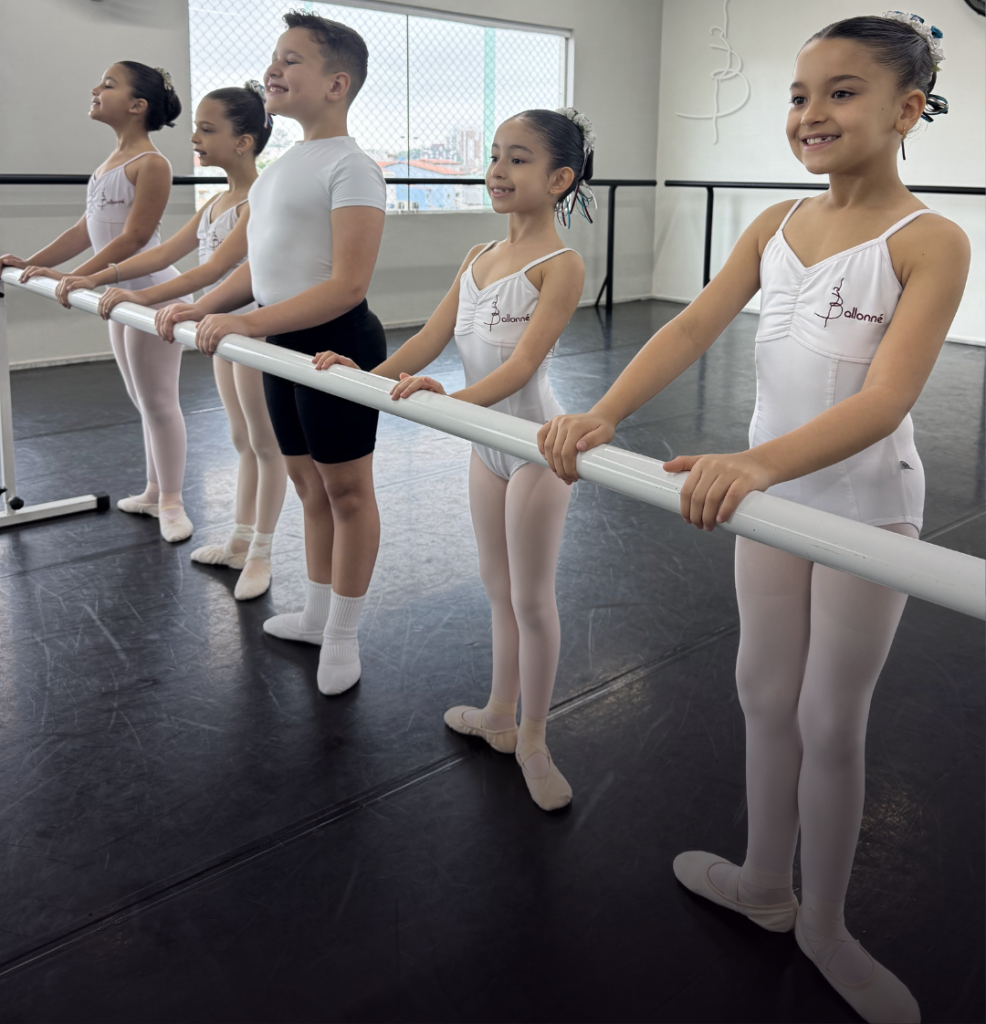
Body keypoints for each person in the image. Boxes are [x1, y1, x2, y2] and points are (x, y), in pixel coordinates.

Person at [537, 14, 967, 1022]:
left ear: (906, 109)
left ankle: (827, 925)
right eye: (798, 94)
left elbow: (885, 399)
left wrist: (753, 463)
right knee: (762, 691)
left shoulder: (929, 240)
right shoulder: (775, 224)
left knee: (830, 718)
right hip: (769, 503)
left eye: (842, 92)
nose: (811, 112)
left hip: (863, 511)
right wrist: (602, 411)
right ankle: (764, 883)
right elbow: (693, 324)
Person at [315, 108, 594, 810]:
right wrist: (365, 375)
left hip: (533, 448)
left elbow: (522, 367)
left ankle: (535, 738)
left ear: (560, 179)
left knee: (531, 598)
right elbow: (429, 339)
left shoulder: (561, 267)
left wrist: (451, 401)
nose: (498, 170)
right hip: (485, 447)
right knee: (497, 589)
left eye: (519, 159)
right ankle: (499, 715)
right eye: (496, 155)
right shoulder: (477, 256)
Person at [156, 11, 386, 694]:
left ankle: (343, 633)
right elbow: (259, 268)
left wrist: (247, 324)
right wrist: (206, 305)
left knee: (347, 492)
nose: (273, 70)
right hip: (281, 344)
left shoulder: (353, 167)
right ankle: (315, 615)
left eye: (291, 60)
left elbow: (347, 285)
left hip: (337, 345)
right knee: (309, 485)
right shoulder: (281, 169)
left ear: (337, 84)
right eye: (274, 58)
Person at [56, 83, 286, 600]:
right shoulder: (216, 203)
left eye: (207, 130)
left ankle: (261, 552)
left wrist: (151, 297)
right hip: (221, 334)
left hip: (254, 333)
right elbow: (163, 254)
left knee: (265, 444)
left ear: (244, 141)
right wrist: (98, 277)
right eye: (196, 129)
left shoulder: (259, 201)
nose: (195, 139)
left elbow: (213, 269)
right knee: (240, 439)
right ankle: (239, 538)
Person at [1, 62, 194, 542]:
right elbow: (84, 230)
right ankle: (153, 491)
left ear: (137, 105)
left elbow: (134, 238)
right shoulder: (110, 162)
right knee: (141, 399)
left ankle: (173, 502)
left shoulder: (152, 164)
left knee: (159, 400)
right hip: (119, 294)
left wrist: (77, 277)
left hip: (154, 294)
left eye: (108, 85)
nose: (95, 89)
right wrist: (32, 263)